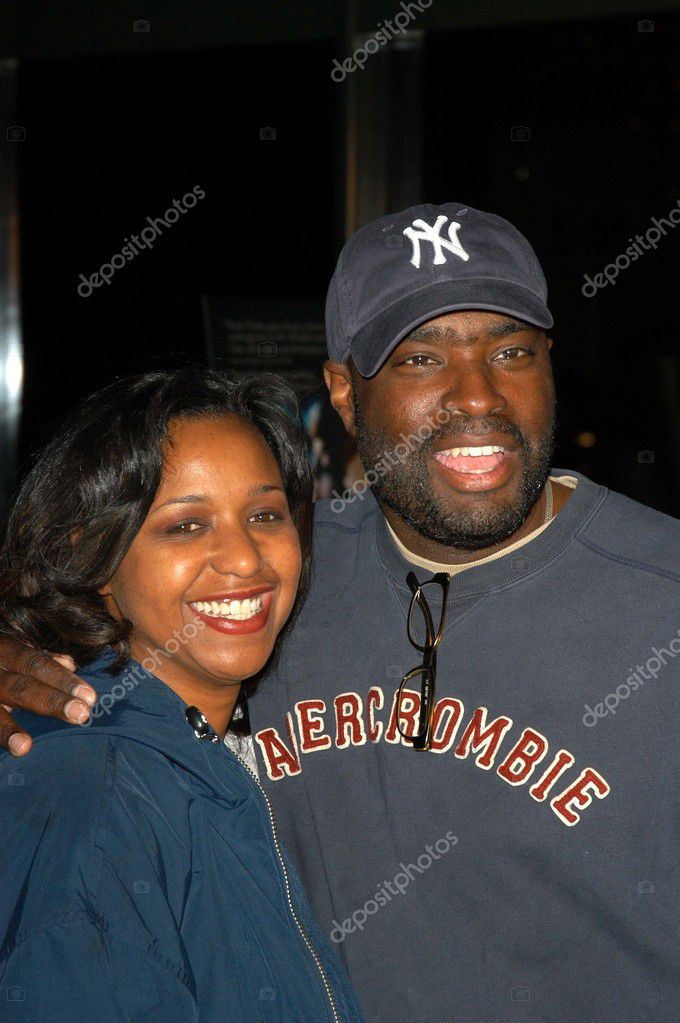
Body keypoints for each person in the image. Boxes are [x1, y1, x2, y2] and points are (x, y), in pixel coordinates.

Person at [1, 202, 679, 1022]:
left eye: (511, 352)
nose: (478, 396)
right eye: (420, 357)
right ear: (344, 395)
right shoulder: (282, 579)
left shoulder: (661, 597)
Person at [0, 368, 364, 1022]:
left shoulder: (210, 759)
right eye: (187, 526)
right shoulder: (94, 793)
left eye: (265, 515)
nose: (245, 558)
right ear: (94, 557)